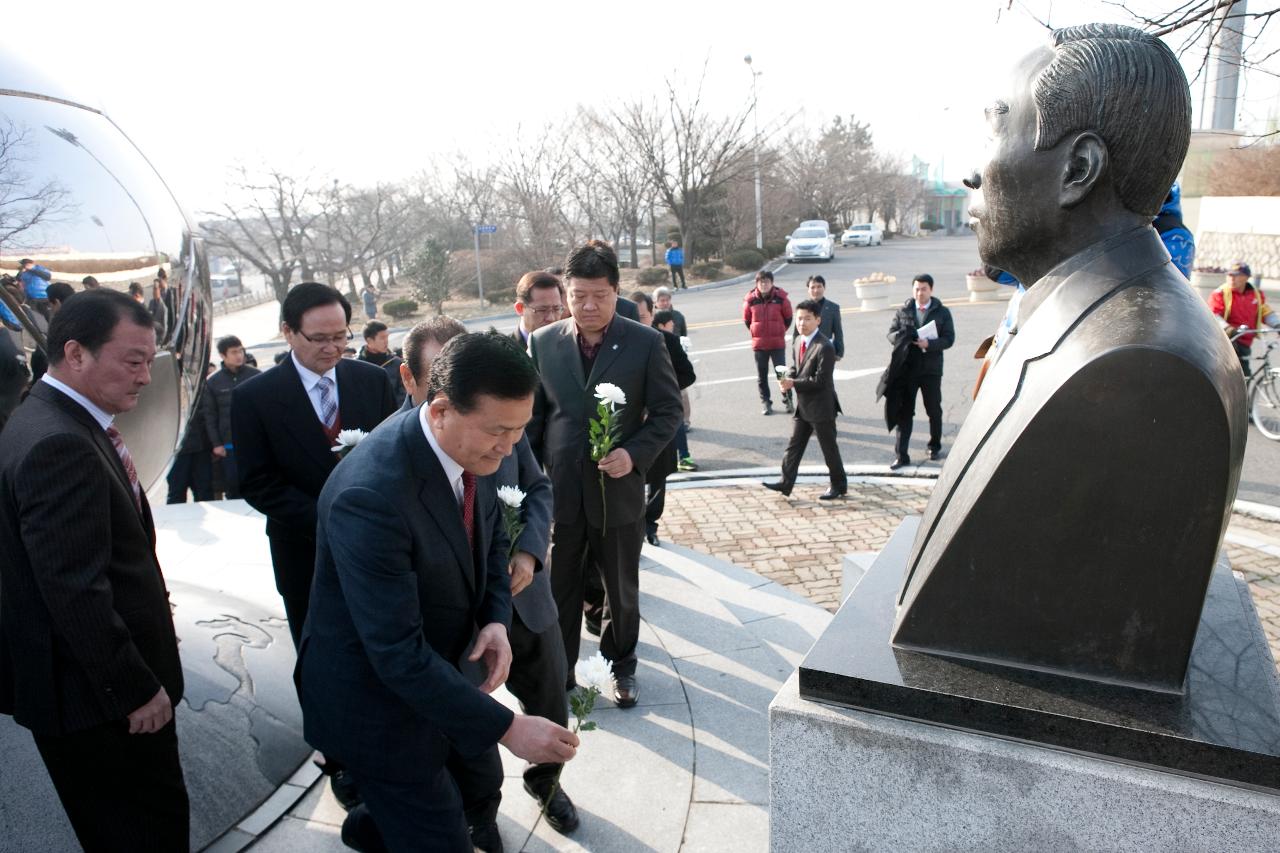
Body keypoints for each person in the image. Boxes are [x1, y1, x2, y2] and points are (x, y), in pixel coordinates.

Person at [894, 24, 1248, 689]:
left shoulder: (1146, 367)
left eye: (996, 130)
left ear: (1078, 170)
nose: (970, 170)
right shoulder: (1077, 315)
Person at [299, 331, 579, 852]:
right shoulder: (372, 495)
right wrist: (509, 727)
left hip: (439, 673)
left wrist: (496, 618)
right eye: (499, 430)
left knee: (441, 804)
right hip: (377, 706)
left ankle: (374, 826)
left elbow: (492, 539)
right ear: (442, 409)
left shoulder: (472, 451)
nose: (510, 446)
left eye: (520, 430)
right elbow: (396, 655)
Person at [0, 289, 188, 850]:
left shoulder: (46, 417)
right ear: (76, 353)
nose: (143, 378)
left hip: (84, 695)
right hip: (99, 705)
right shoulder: (59, 444)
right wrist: (134, 689)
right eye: (132, 362)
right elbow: (75, 591)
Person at [400, 317, 579, 846]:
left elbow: (538, 489)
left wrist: (528, 553)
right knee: (465, 727)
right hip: (456, 621)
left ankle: (547, 783)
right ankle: (480, 810)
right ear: (415, 384)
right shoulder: (398, 458)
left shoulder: (503, 425)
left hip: (524, 603)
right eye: (439, 376)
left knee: (550, 701)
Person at [527, 241, 682, 707]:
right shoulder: (543, 342)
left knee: (620, 585)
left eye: (600, 295)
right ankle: (560, 670)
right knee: (560, 589)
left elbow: (668, 412)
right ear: (566, 293)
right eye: (578, 296)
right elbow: (534, 421)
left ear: (616, 291)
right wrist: (534, 482)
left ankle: (621, 666)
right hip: (561, 491)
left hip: (617, 489)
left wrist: (633, 455)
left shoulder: (645, 342)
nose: (588, 306)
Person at [232, 282, 398, 650]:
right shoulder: (254, 397)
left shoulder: (371, 381)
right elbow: (257, 482)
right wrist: (327, 519)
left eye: (341, 336)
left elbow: (393, 458)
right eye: (319, 338)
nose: (333, 348)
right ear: (288, 332)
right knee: (319, 658)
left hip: (375, 550)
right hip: (303, 552)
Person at [630, 292, 696, 545]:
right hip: (629, 423)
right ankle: (633, 526)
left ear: (652, 315)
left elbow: (687, 375)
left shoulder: (667, 341)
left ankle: (650, 524)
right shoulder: (619, 341)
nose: (637, 321)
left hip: (659, 420)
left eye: (642, 316)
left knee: (658, 478)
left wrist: (660, 393)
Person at [765, 300, 847, 500]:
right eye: (799, 319)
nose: (802, 323)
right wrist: (786, 378)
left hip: (821, 407)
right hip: (804, 407)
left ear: (818, 320)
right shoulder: (797, 342)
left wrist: (794, 383)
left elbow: (821, 380)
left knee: (829, 449)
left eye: (807, 319)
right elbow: (797, 368)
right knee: (794, 446)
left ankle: (839, 485)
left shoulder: (825, 346)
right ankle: (786, 483)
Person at [886, 274, 954, 469]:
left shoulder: (942, 312)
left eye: (923, 289)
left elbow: (949, 339)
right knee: (904, 412)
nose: (920, 292)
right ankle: (901, 454)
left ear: (931, 289)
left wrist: (929, 344)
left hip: (931, 370)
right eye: (916, 288)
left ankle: (934, 445)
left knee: (933, 409)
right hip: (907, 369)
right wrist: (902, 337)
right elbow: (890, 333)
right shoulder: (904, 310)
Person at [202, 335, 261, 499]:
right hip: (229, 445)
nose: (239, 355)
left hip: (255, 441)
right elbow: (210, 415)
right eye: (234, 352)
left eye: (241, 351)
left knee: (259, 482)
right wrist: (216, 444)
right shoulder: (213, 382)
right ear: (222, 355)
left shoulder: (255, 375)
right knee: (234, 485)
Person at [1208, 262, 1278, 376]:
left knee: (1244, 376)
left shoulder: (1255, 294)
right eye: (1229, 275)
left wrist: (1277, 325)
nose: (1232, 278)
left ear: (1246, 277)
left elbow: (1264, 311)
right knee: (1232, 375)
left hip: (1245, 341)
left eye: (1236, 275)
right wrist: (1229, 329)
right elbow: (1213, 315)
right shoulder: (1220, 293)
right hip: (1228, 341)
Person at [743, 269, 793, 415]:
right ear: (757, 283)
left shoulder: (781, 298)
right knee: (762, 376)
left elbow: (788, 319)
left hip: (777, 344)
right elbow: (747, 320)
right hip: (759, 346)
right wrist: (756, 332)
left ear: (772, 283)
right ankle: (766, 402)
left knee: (782, 375)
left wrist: (779, 330)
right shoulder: (750, 300)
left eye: (767, 282)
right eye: (761, 282)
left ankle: (788, 400)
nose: (764, 284)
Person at [655, 308, 697, 471]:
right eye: (671, 325)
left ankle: (683, 457)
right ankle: (680, 457)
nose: (673, 327)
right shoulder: (650, 341)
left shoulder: (671, 341)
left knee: (678, 424)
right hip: (661, 397)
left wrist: (672, 386)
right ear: (661, 325)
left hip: (672, 391)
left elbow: (688, 373)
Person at [166, 407, 213, 503]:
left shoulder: (203, 392)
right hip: (177, 451)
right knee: (177, 491)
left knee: (205, 491)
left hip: (202, 448)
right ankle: (175, 517)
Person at [358, 320, 407, 409]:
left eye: (387, 337)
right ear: (369, 340)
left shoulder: (396, 363)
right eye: (382, 338)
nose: (386, 341)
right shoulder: (357, 365)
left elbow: (403, 394)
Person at [794, 275, 844, 360]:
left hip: (825, 350)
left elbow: (838, 331)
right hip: (806, 351)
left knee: (824, 373)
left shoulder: (833, 307)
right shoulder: (802, 308)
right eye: (812, 287)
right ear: (808, 290)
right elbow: (796, 333)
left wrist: (839, 352)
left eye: (819, 287)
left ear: (824, 288)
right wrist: (795, 352)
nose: (816, 290)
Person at [513, 270, 565, 347]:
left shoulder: (573, 346)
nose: (551, 318)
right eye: (542, 310)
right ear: (520, 308)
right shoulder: (503, 351)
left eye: (556, 309)